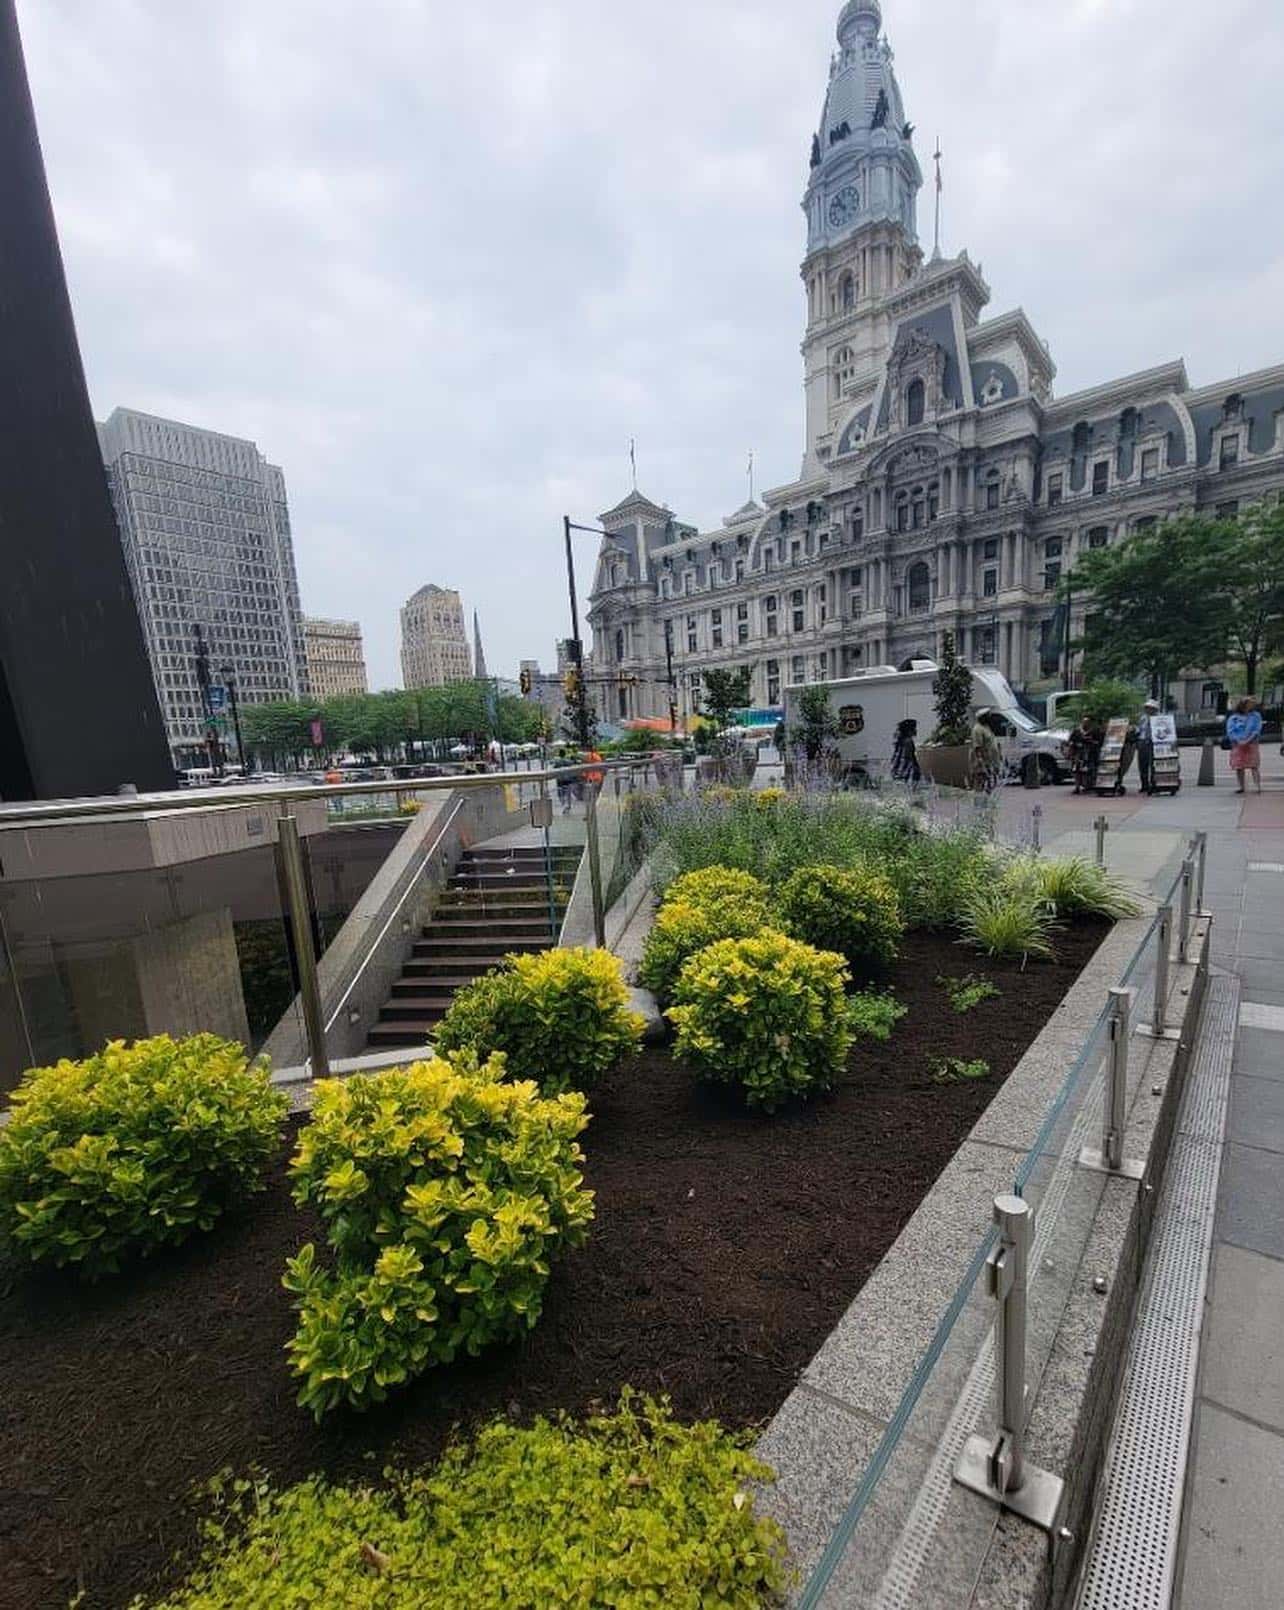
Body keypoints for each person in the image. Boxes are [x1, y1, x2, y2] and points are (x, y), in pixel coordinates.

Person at [1226, 696, 1263, 795]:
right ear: (1243, 705)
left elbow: (1257, 729)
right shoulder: (1233, 718)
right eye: (1250, 703)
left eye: (1253, 704)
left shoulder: (1256, 716)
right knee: (1239, 766)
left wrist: (1249, 739)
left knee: (1254, 766)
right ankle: (1241, 786)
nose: (1252, 705)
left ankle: (1257, 786)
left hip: (1251, 744)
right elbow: (1230, 730)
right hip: (1238, 745)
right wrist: (1238, 740)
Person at [968, 710, 1002, 794]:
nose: (989, 718)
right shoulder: (977, 729)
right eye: (987, 716)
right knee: (981, 783)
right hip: (983, 762)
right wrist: (980, 760)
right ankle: (980, 802)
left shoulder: (986, 727)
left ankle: (988, 800)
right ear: (982, 718)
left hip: (990, 761)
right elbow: (977, 746)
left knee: (990, 783)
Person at [1135, 699, 1160, 796]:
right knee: (1142, 764)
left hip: (1153, 742)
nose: (1148, 710)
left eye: (1151, 708)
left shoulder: (1158, 718)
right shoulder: (1142, 718)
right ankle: (1144, 784)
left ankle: (1154, 783)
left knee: (1153, 763)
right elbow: (1139, 729)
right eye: (1147, 708)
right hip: (1142, 741)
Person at [891, 717, 921, 784]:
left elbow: (896, 758)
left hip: (899, 770)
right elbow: (906, 758)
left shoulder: (900, 741)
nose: (916, 730)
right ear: (909, 730)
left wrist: (895, 770)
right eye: (914, 728)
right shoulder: (908, 741)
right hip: (909, 771)